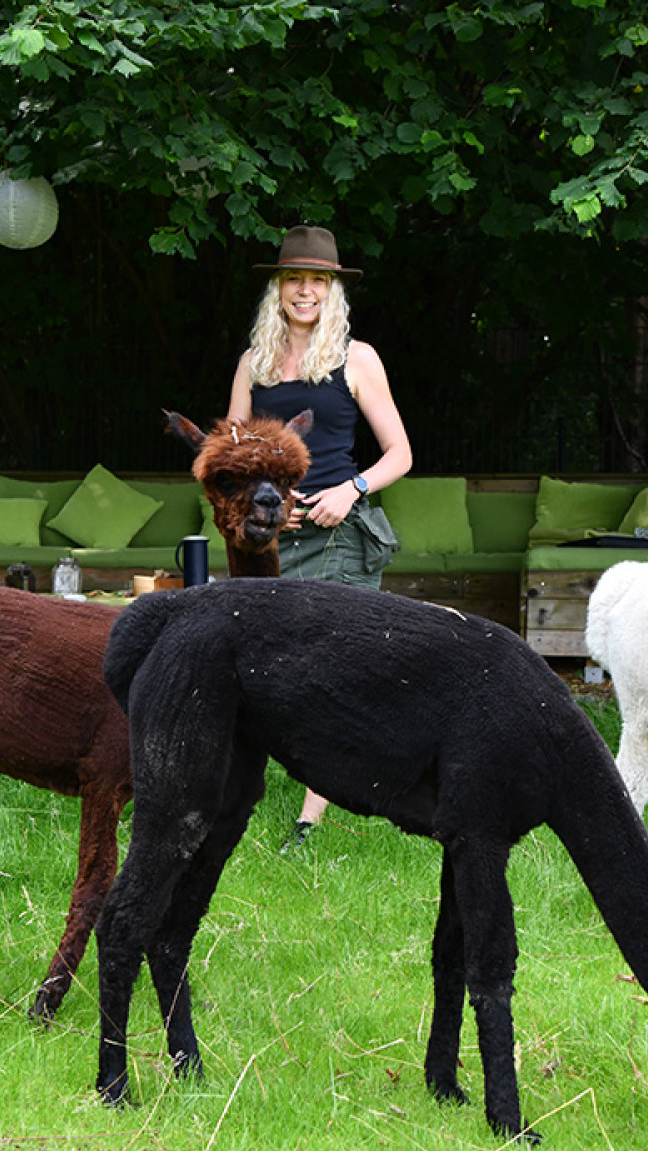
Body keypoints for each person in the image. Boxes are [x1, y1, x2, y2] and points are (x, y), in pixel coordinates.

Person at [227, 224, 414, 852]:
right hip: (272, 533)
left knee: (331, 669)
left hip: (340, 532)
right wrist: (263, 507)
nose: (305, 291)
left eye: (317, 280)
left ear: (332, 290)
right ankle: (238, 790)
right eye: (294, 279)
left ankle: (309, 822)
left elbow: (400, 454)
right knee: (259, 662)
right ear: (278, 288)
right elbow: (233, 455)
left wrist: (350, 490)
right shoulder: (253, 364)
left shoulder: (356, 360)